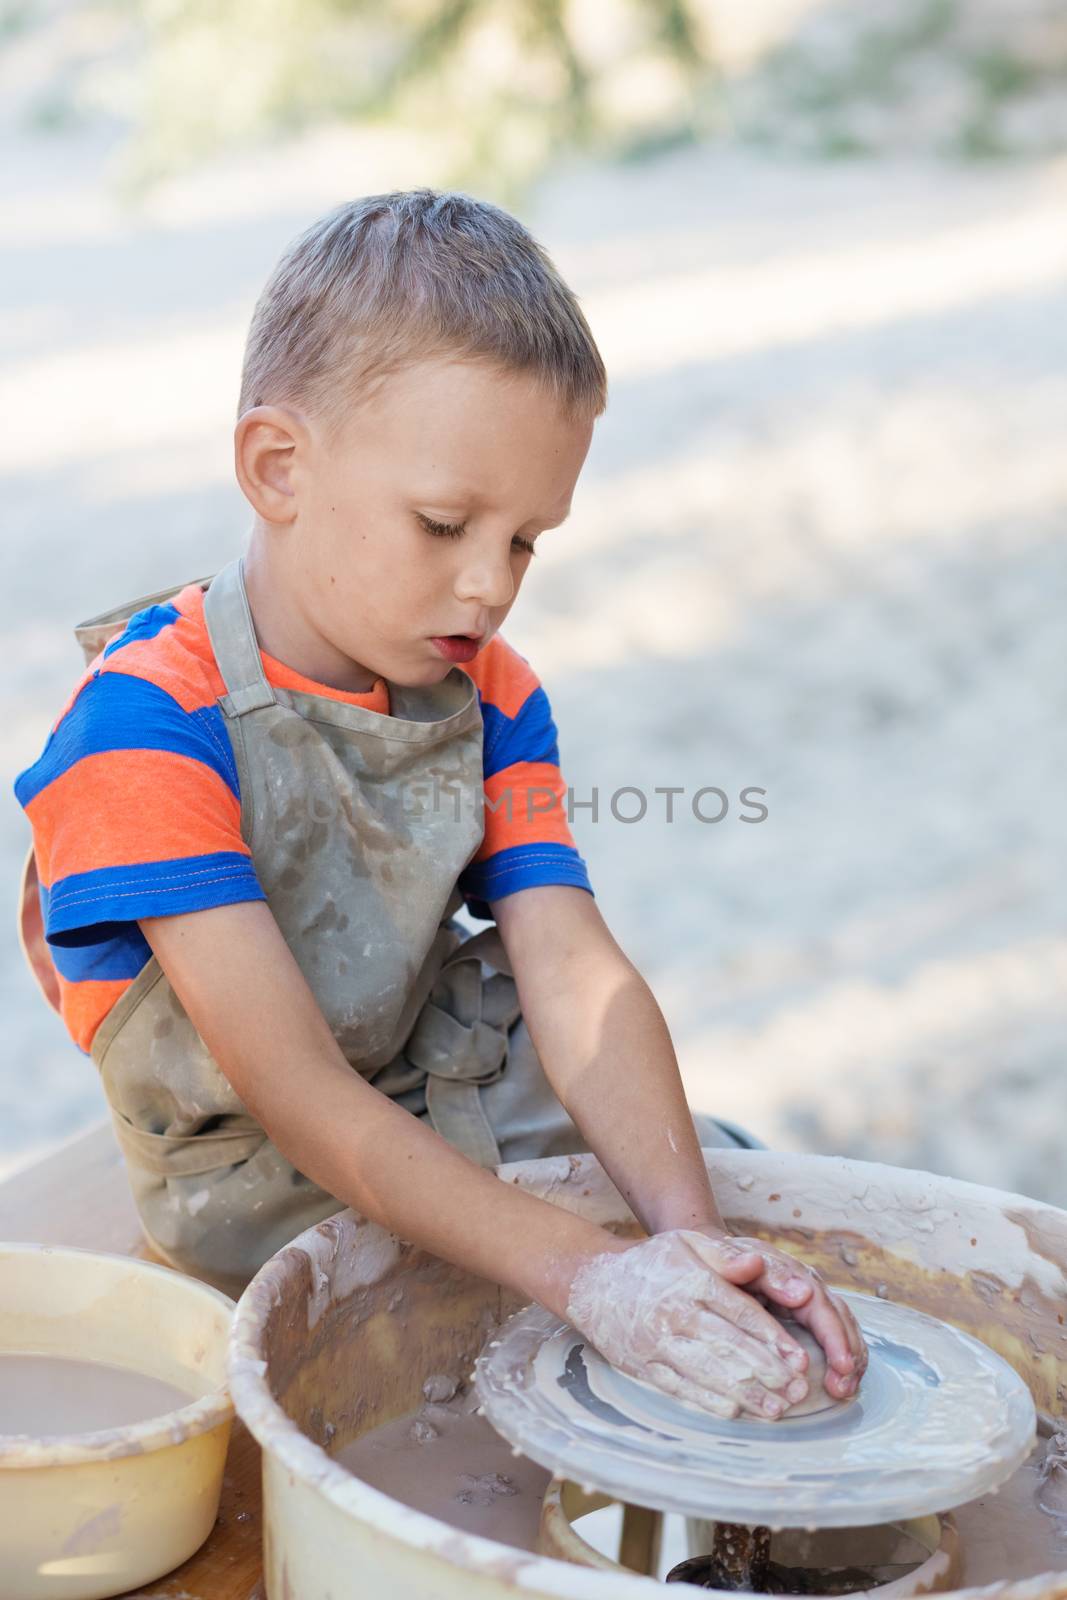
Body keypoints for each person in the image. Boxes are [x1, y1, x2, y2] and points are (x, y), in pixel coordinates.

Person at [14, 190, 865, 1419]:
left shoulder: (485, 689)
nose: (488, 584)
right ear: (277, 468)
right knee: (452, 1373)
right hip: (258, 1162)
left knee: (721, 1168)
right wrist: (584, 1274)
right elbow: (297, 1091)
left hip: (431, 1061)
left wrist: (687, 1243)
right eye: (444, 524)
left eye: (526, 541)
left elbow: (571, 969)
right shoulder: (142, 730)